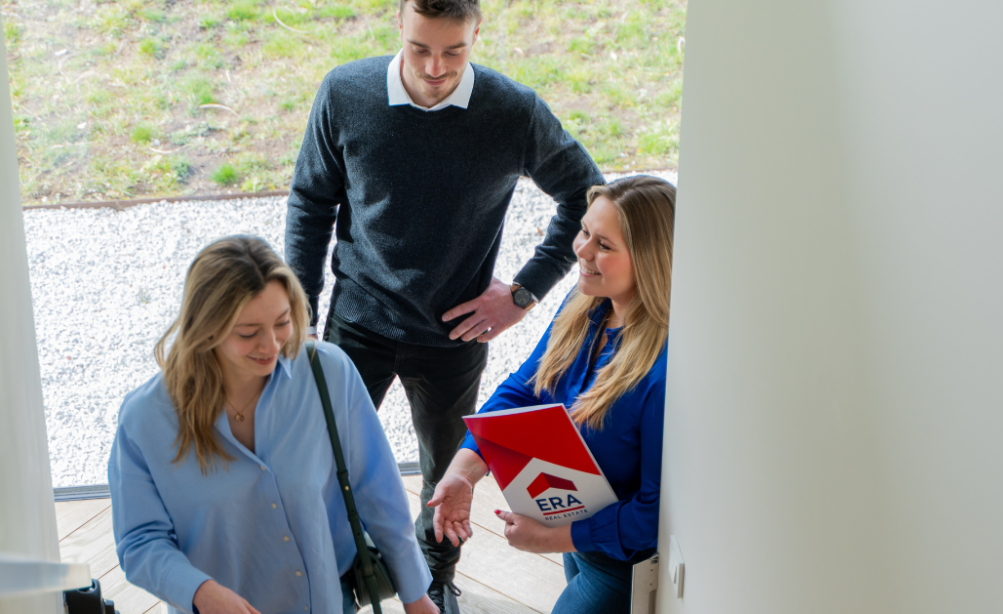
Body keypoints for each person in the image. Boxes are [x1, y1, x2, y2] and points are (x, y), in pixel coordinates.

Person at [284, 0, 604, 609]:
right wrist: (299, 316)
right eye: (420, 48)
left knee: (445, 472)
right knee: (324, 463)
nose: (435, 68)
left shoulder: (513, 111)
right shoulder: (345, 92)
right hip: (358, 320)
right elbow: (310, 202)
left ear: (476, 33)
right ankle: (338, 576)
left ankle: (434, 576)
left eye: (454, 51)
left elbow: (588, 197)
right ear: (397, 28)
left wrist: (524, 292)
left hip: (454, 335)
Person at [107, 236, 437, 614]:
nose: (271, 346)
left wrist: (416, 596)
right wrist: (199, 591)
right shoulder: (146, 418)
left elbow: (377, 492)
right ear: (206, 328)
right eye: (248, 333)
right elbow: (140, 540)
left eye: (282, 323)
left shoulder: (328, 373)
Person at [429, 175, 674, 613]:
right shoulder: (584, 308)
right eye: (584, 231)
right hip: (577, 540)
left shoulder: (664, 370)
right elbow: (523, 391)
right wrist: (464, 472)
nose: (581, 250)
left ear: (649, 258)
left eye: (604, 244)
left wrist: (548, 537)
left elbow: (653, 515)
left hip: (622, 565)